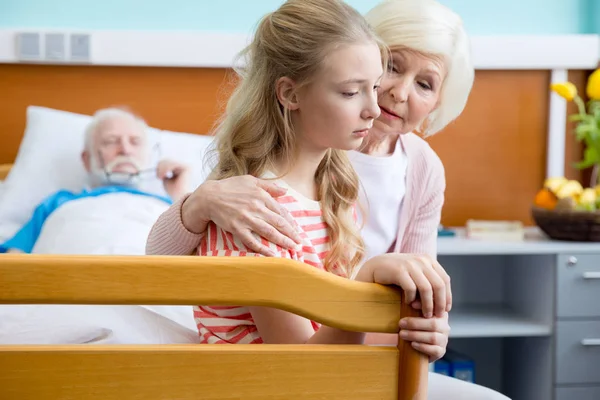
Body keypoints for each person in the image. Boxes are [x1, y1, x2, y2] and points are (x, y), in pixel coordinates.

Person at [146, 0, 510, 399]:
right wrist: (197, 202)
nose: (381, 104)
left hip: (348, 367)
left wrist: (420, 330)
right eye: (358, 88)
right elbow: (307, 368)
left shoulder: (336, 181)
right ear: (291, 93)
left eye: (424, 83)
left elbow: (404, 300)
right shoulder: (261, 212)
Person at [0, 107, 190, 255]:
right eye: (111, 141)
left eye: (135, 142)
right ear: (86, 159)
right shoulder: (57, 202)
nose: (125, 150)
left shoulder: (171, 208)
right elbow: (13, 262)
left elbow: (199, 256)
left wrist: (180, 195)